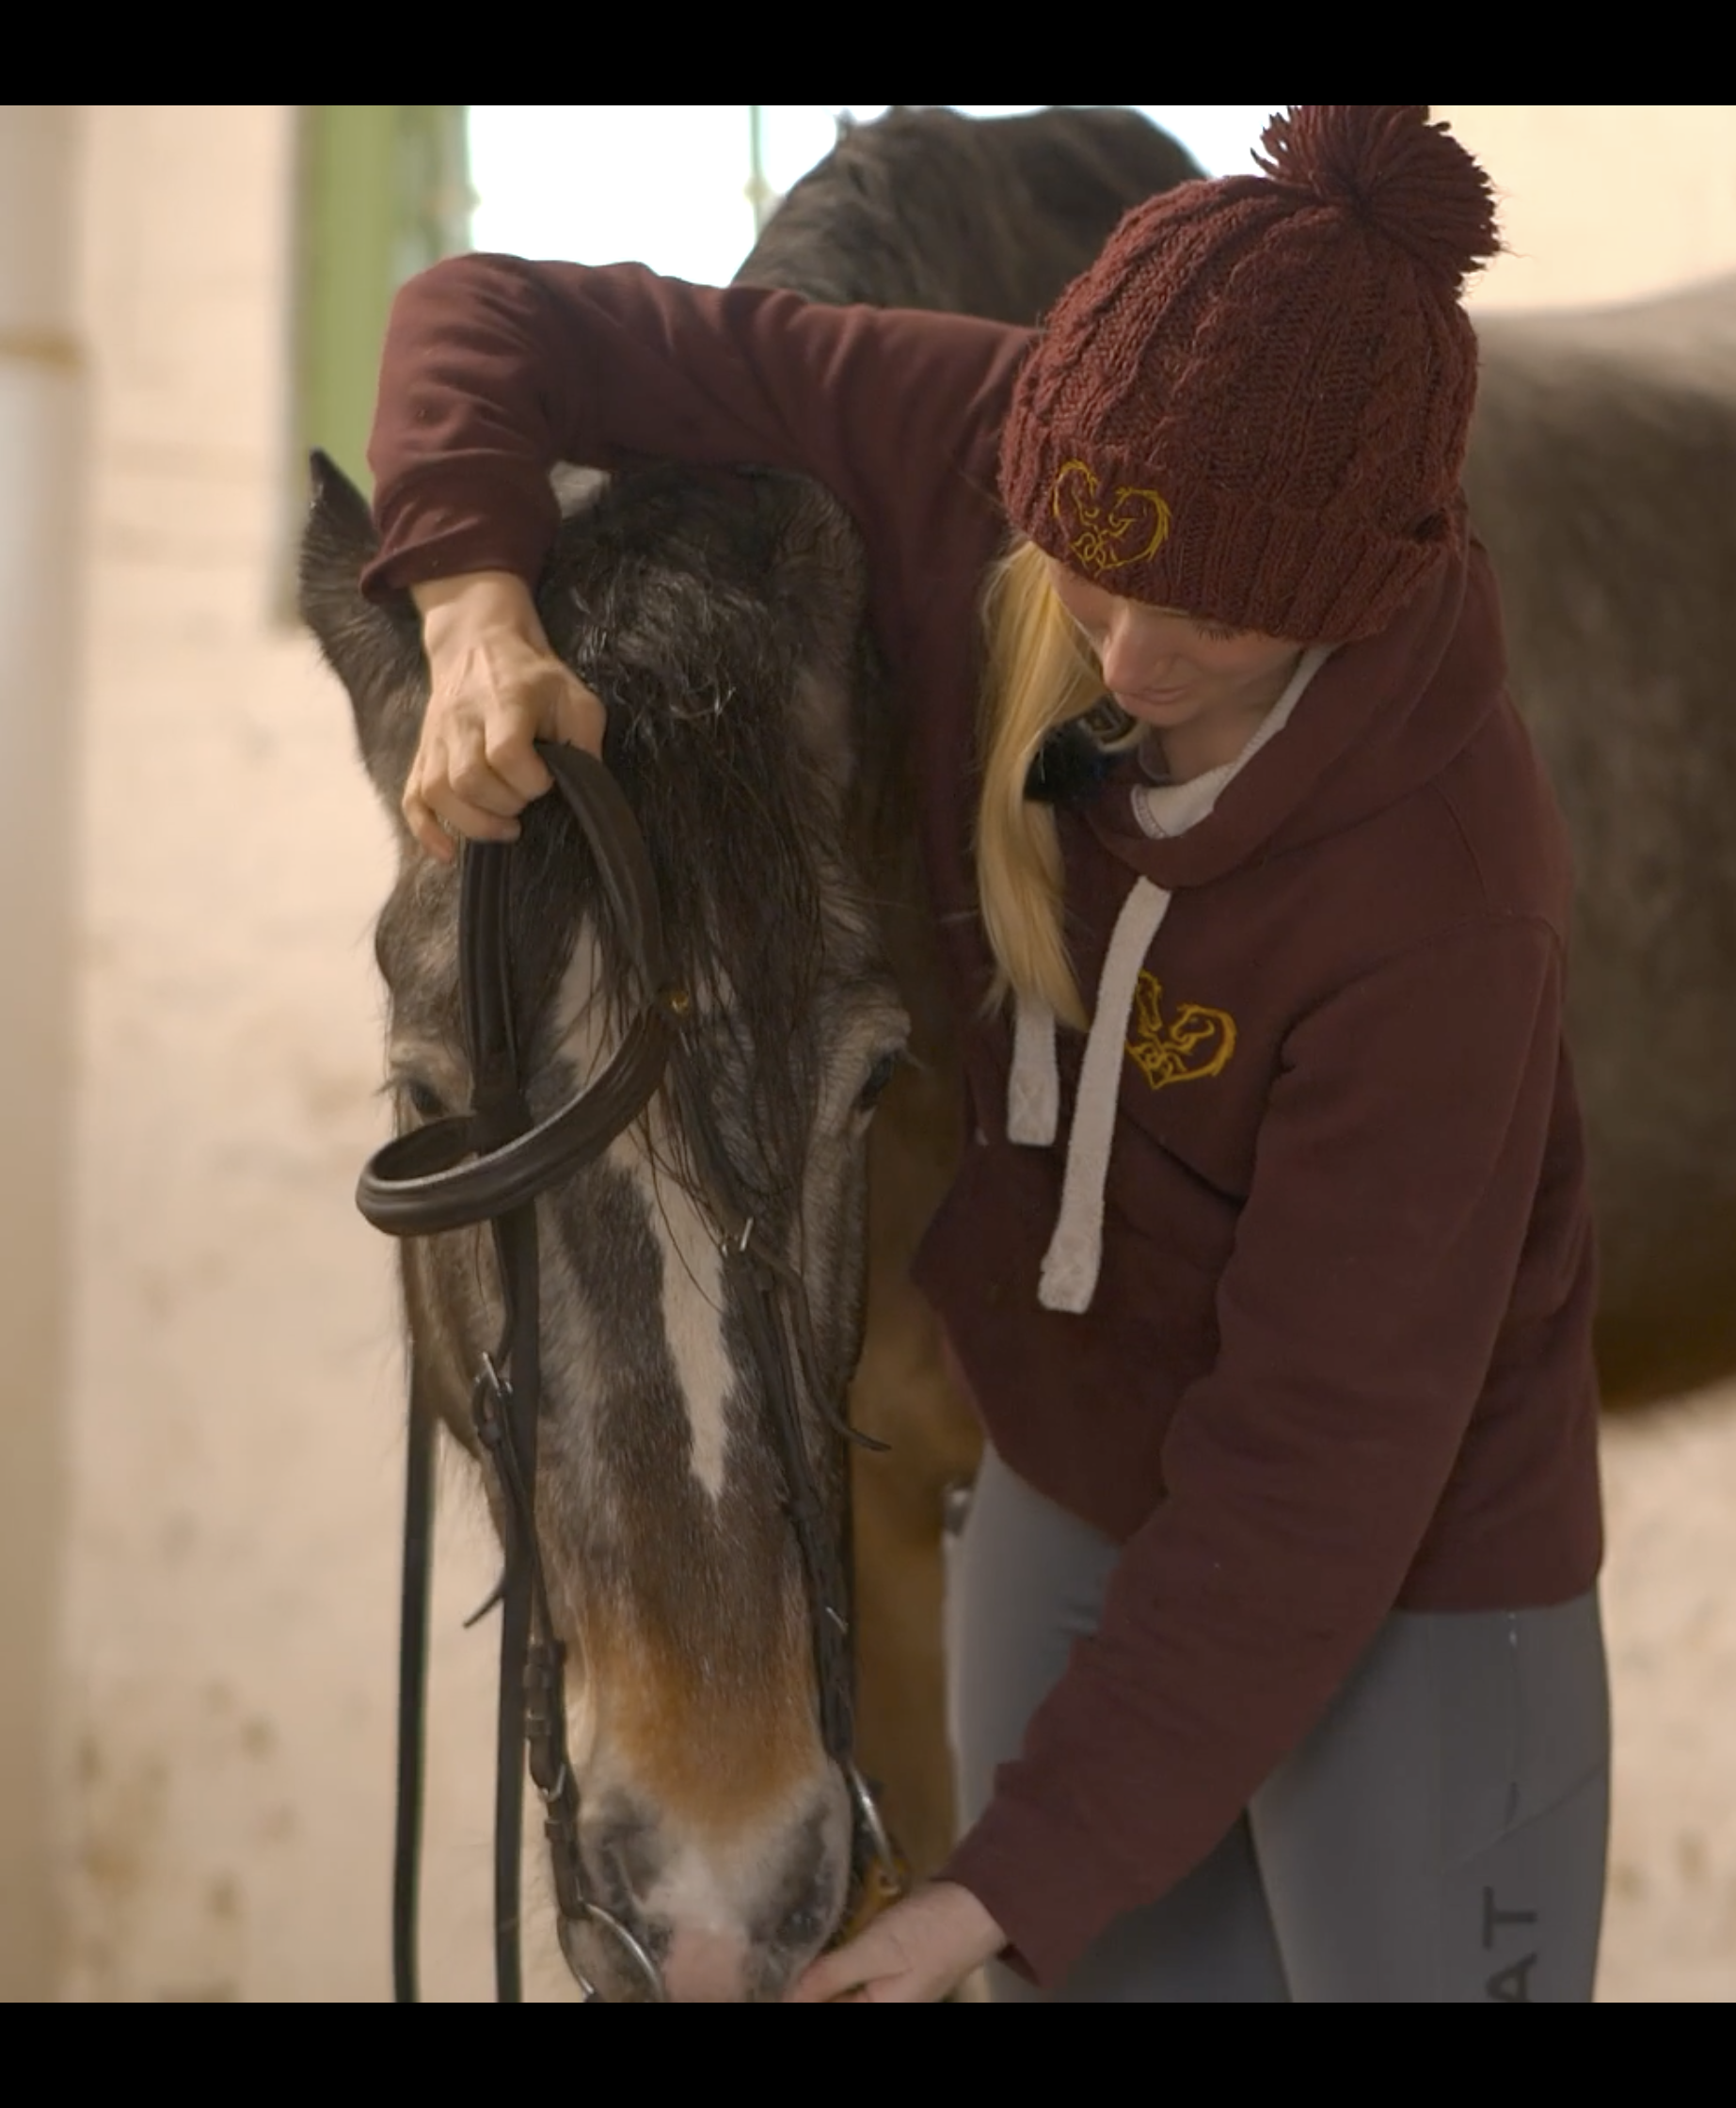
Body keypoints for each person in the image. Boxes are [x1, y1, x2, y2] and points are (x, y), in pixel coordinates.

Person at [360, 104, 1609, 2003]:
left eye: (1214, 614)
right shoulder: (997, 443)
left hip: (1411, 1580)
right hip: (1063, 1481)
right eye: (1089, 572)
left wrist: (988, 1890)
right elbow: (484, 308)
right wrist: (468, 600)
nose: (1123, 657)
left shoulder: (1443, 891)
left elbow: (1311, 1484)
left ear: (1358, 584)